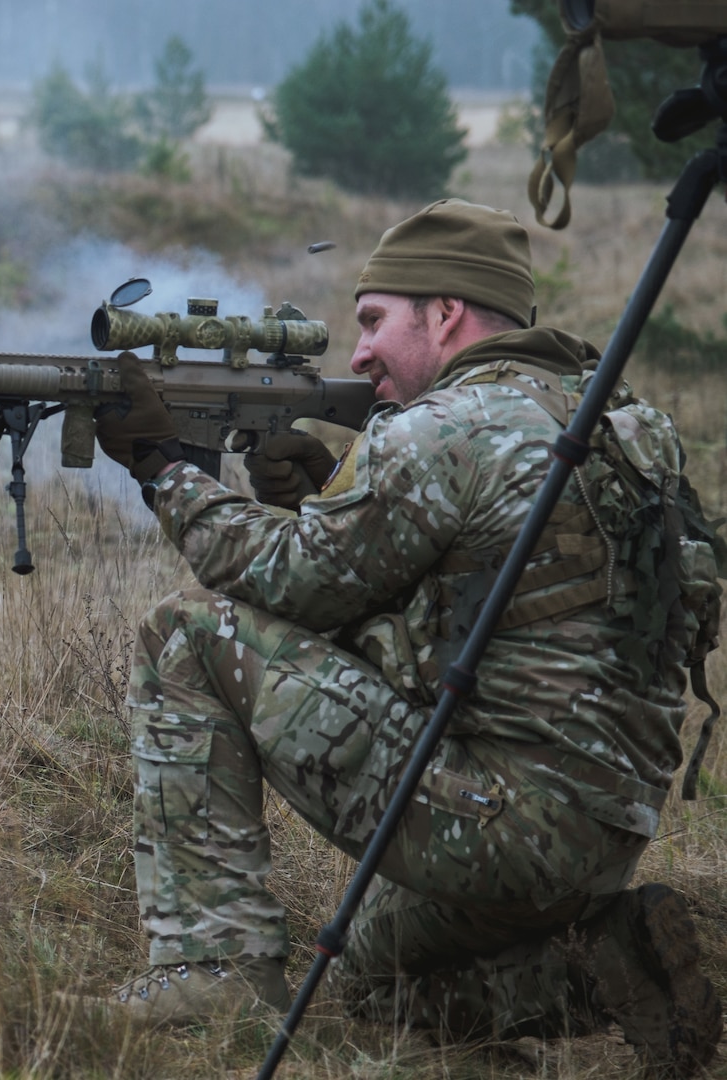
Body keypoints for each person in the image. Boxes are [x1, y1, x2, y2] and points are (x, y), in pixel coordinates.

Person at [90, 199, 723, 1076]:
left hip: (501, 829)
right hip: (599, 837)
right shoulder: (615, 423)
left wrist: (163, 467)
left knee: (189, 634)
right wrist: (323, 496)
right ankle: (606, 967)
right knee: (367, 984)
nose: (357, 353)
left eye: (375, 322)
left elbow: (287, 587)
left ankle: (213, 966)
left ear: (447, 313)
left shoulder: (444, 432)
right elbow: (468, 608)